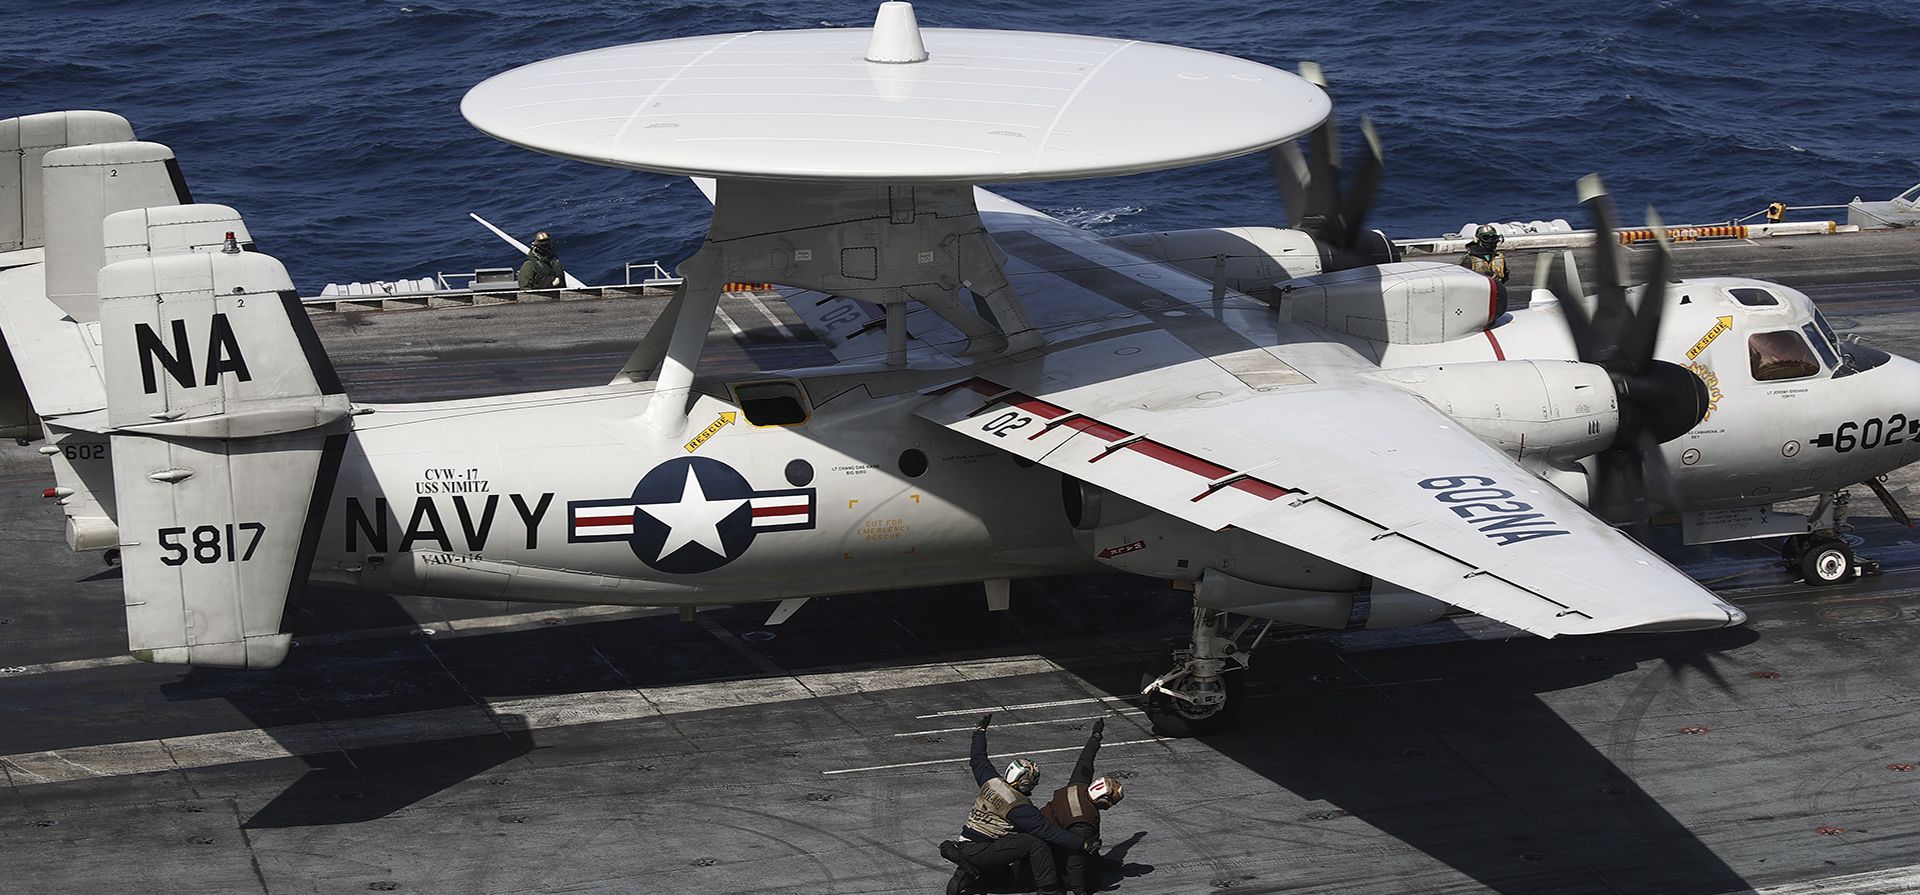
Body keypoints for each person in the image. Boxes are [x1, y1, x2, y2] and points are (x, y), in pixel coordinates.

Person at [940, 714, 1095, 895]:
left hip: (967, 843)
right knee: (1035, 843)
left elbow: (978, 758)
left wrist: (979, 732)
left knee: (1005, 878)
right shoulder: (1018, 805)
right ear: (1025, 783)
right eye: (1033, 782)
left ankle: (969, 874)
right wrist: (1081, 844)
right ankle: (1048, 890)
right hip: (983, 850)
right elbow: (1047, 831)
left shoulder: (990, 781)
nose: (1034, 785)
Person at [1039, 719, 1125, 895]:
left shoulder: (1079, 785)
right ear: (1104, 801)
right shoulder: (1083, 824)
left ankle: (1095, 861)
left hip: (1047, 828)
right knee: (1093, 881)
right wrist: (1081, 891)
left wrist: (1096, 736)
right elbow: (1074, 861)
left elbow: (1085, 761)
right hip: (1048, 848)